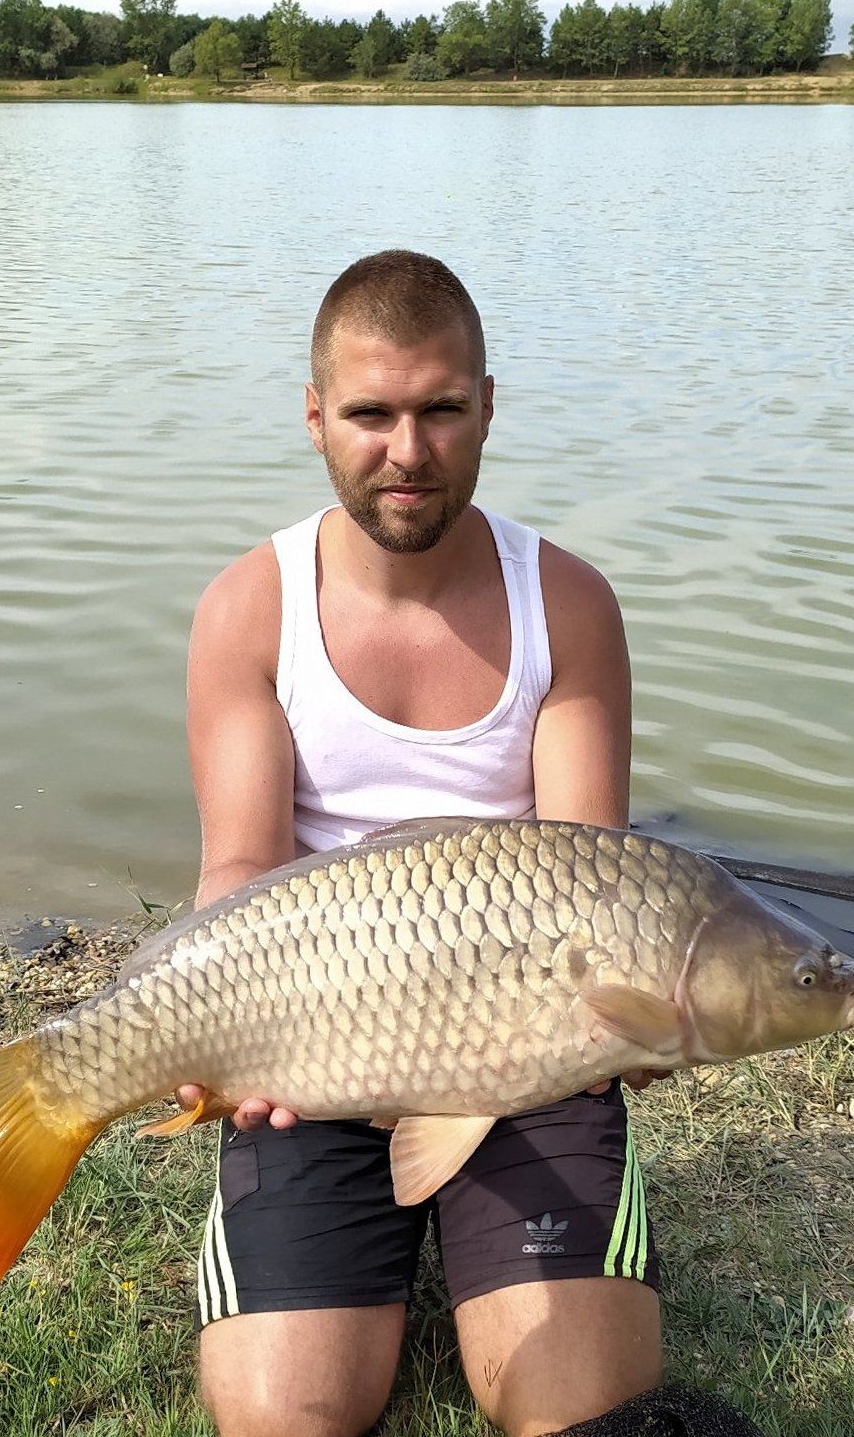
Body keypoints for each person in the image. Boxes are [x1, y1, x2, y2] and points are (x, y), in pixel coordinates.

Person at [178, 250, 662, 1437]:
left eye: (441, 409)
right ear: (314, 417)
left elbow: (593, 884)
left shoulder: (570, 604)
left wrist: (639, 1014)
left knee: (576, 1413)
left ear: (488, 404)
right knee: (289, 1416)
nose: (408, 450)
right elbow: (240, 868)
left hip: (524, 1054)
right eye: (371, 414)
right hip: (313, 1042)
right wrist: (222, 1038)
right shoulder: (251, 606)